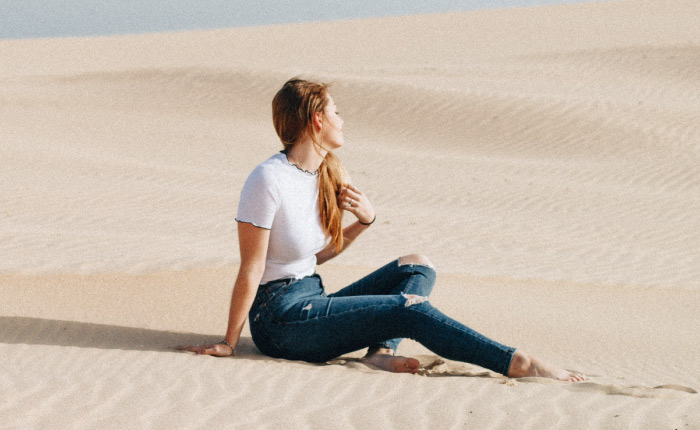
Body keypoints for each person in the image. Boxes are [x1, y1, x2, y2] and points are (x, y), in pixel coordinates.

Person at [179, 78, 585, 381]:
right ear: (317, 120)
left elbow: (310, 257)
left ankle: (379, 353)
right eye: (336, 111)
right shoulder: (267, 179)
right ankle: (517, 363)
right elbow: (252, 267)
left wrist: (364, 222)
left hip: (311, 298)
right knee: (406, 308)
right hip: (280, 321)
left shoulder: (321, 174)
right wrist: (229, 343)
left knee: (417, 267)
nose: (343, 119)